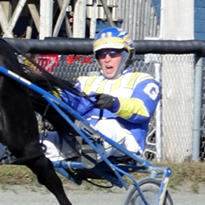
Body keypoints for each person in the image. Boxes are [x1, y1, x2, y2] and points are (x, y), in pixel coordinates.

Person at [41, 27, 161, 160]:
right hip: (83, 136)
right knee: (41, 140)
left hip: (126, 144)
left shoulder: (143, 80)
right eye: (102, 54)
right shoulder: (85, 81)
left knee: (106, 126)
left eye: (113, 53)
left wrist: (114, 104)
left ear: (127, 55)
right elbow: (68, 99)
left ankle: (91, 150)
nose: (107, 59)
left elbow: (143, 110)